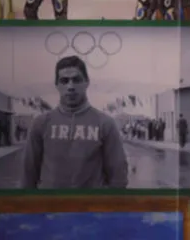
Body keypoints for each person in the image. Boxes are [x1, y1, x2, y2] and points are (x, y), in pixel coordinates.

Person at [20, 56, 129, 189]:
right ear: (57, 85)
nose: (70, 86)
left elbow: (118, 176)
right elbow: (28, 174)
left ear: (86, 82)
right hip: (51, 201)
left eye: (76, 80)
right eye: (64, 81)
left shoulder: (105, 124)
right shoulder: (41, 123)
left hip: (91, 202)